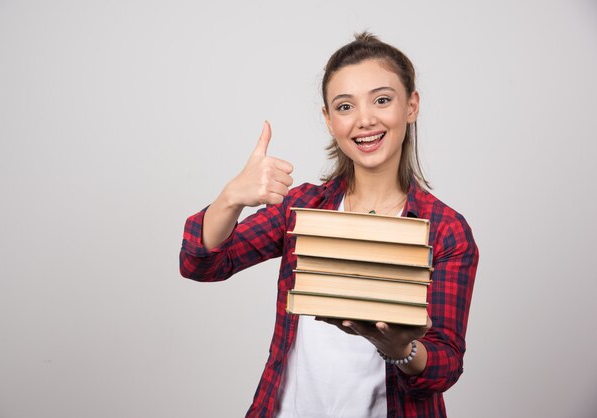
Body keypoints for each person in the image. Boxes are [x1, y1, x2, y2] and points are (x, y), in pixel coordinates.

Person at [180, 32, 479, 418]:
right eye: (344, 106)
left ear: (412, 105)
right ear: (328, 120)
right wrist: (231, 198)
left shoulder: (445, 229)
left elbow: (445, 365)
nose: (365, 119)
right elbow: (202, 264)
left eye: (382, 100)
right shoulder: (301, 208)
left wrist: (401, 351)